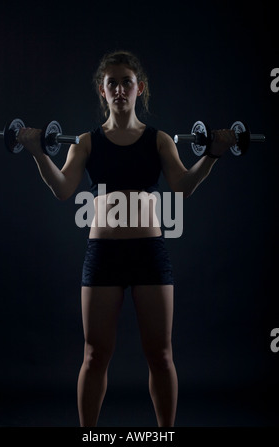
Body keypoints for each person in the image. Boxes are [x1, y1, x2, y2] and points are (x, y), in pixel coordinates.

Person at [16, 50, 236, 427]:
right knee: (93, 355)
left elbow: (182, 186)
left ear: (140, 88)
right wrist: (38, 153)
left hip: (150, 254)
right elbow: (64, 189)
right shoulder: (84, 142)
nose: (119, 88)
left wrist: (213, 155)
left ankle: (164, 434)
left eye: (126, 82)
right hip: (102, 256)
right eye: (112, 82)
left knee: (161, 355)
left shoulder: (159, 140)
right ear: (102, 91)